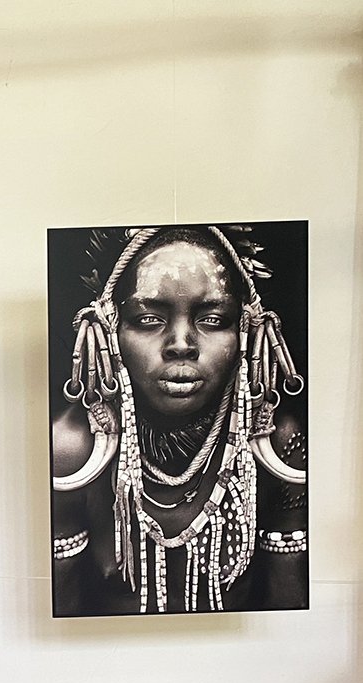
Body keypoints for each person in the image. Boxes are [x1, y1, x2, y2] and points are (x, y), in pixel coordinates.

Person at [51, 225, 308, 615]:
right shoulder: (71, 450)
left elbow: (290, 607)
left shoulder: (277, 442)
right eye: (148, 319)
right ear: (108, 330)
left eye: (213, 319)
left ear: (247, 330)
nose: (181, 344)